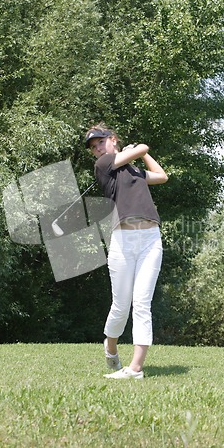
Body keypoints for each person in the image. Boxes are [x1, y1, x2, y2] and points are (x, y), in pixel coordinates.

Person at [85, 123, 168, 379]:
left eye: (100, 142)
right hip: (123, 240)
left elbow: (162, 175)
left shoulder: (133, 171)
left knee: (142, 303)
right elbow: (143, 146)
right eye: (93, 147)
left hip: (150, 239)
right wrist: (138, 148)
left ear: (112, 139)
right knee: (121, 305)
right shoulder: (104, 165)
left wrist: (140, 155)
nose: (97, 149)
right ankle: (110, 348)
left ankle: (135, 369)